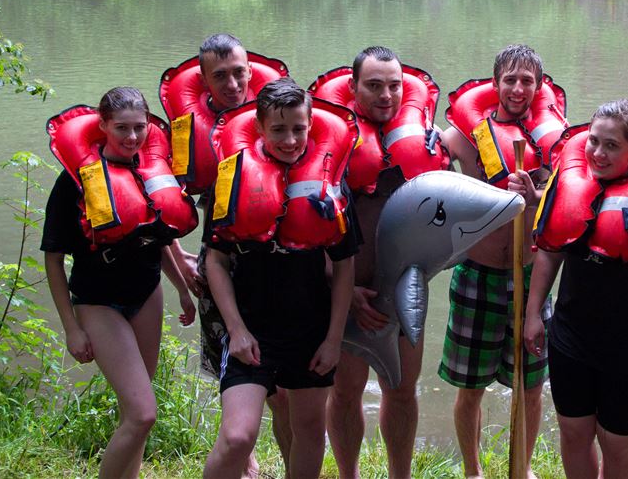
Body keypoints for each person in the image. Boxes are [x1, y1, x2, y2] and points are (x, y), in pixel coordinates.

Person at [525, 99, 628, 479]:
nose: (598, 153)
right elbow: (549, 254)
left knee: (616, 443)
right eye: (593, 141)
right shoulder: (566, 187)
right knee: (574, 433)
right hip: (571, 337)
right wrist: (534, 312)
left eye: (612, 145)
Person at [202, 78, 357, 479]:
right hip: (251, 330)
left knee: (308, 427)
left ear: (311, 124)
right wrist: (235, 330)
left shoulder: (331, 179)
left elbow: (343, 265)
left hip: (311, 330)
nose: (290, 140)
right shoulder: (231, 178)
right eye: (279, 130)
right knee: (238, 436)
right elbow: (215, 263)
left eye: (299, 129)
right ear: (258, 127)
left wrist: (333, 340)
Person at [43, 87, 197, 479]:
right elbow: (54, 260)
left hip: (146, 293)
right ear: (103, 126)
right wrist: (71, 328)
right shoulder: (75, 181)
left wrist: (181, 287)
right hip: (98, 302)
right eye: (122, 128)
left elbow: (158, 237)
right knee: (144, 413)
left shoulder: (151, 172)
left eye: (139, 128)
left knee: (136, 412)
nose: (132, 138)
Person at [158, 33, 290, 477]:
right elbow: (158, 203)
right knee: (231, 359)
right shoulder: (186, 128)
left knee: (285, 382)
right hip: (220, 252)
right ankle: (246, 458)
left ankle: (292, 463)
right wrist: (181, 262)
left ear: (250, 71)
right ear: (205, 81)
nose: (232, 83)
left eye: (238, 73)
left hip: (277, 253)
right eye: (220, 76)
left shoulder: (277, 113)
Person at [316, 46, 449, 479]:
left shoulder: (426, 136)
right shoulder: (322, 144)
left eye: (394, 85)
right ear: (352, 87)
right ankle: (349, 475)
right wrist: (342, 288)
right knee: (345, 390)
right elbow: (307, 225)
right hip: (347, 292)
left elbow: (456, 204)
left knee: (402, 389)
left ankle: (400, 475)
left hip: (405, 288)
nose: (386, 95)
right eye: (374, 85)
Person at [439, 44, 566, 478]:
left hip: (531, 278)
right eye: (509, 79)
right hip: (477, 275)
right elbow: (429, 160)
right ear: (494, 85)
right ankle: (473, 471)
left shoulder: (554, 143)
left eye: (527, 80)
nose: (517, 88)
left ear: (539, 87)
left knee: (530, 386)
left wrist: (534, 198)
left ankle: (522, 469)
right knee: (469, 387)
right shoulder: (466, 137)